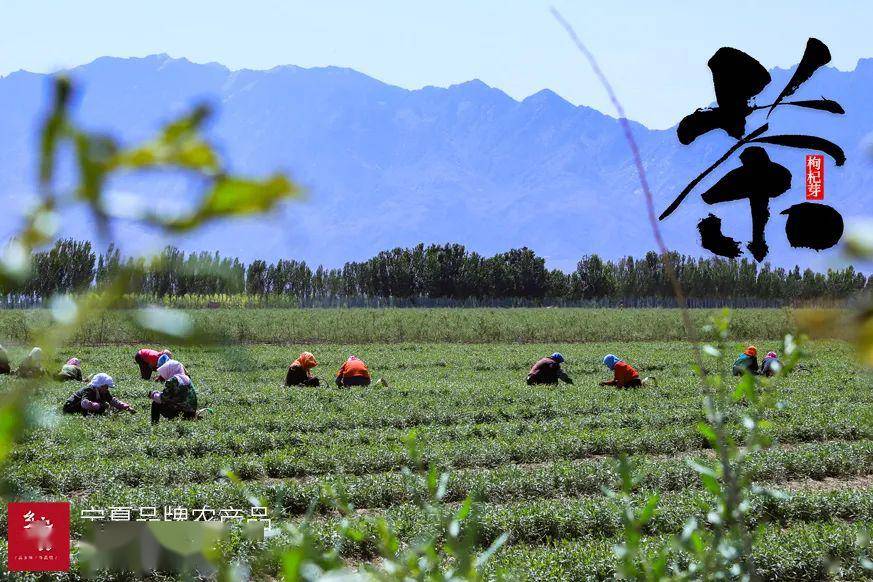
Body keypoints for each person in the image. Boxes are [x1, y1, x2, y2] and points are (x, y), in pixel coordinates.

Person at [62, 373, 135, 416]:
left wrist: (126, 408)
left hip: (81, 406)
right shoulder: (89, 390)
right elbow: (84, 403)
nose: (107, 389)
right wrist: (99, 406)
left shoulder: (104, 391)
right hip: (71, 407)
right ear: (100, 386)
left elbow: (112, 400)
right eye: (106, 387)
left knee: (103, 406)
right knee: (102, 407)